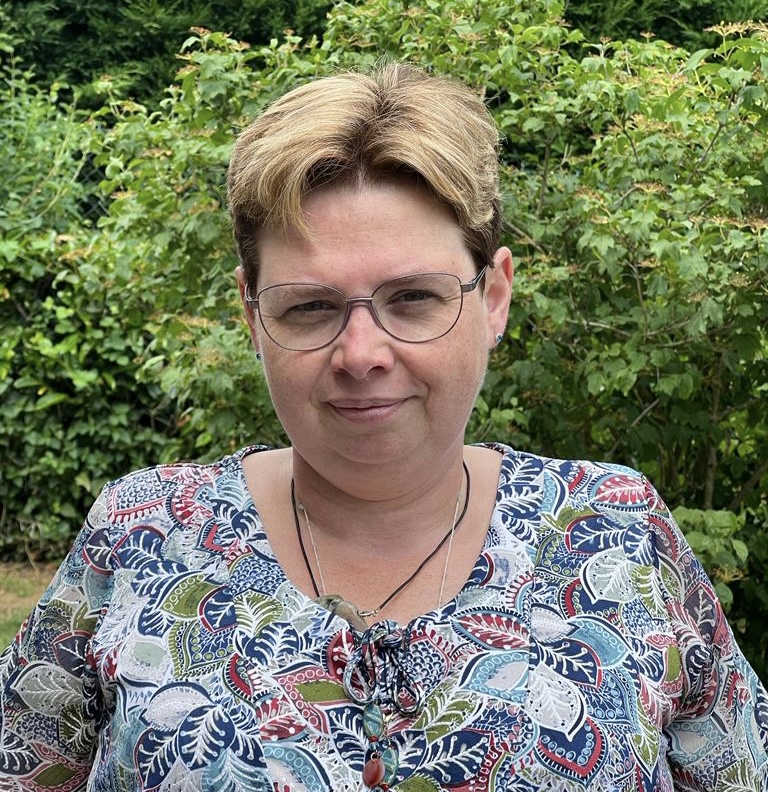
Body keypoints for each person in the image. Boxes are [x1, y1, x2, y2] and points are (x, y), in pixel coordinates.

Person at [1, 61, 766, 792]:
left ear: (493, 298)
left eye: (414, 298)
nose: (361, 354)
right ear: (252, 316)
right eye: (310, 307)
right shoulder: (140, 533)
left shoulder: (618, 532)